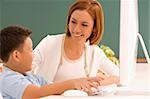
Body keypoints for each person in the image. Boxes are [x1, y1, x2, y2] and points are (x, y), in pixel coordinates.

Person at [0, 25, 102, 99]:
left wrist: (80, 87)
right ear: (16, 56)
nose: (34, 54)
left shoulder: (31, 77)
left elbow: (52, 87)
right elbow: (35, 93)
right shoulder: (6, 78)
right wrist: (73, 83)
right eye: (31, 50)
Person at [33, 0, 119, 86]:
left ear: (94, 28)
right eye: (73, 22)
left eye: (84, 25)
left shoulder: (95, 52)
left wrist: (97, 84)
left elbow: (119, 76)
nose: (76, 30)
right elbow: (24, 69)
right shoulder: (49, 43)